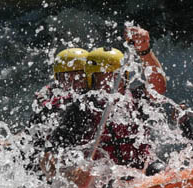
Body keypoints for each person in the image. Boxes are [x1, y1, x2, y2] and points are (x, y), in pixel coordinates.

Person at [42, 26, 167, 178]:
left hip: (142, 174)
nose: (109, 84)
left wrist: (145, 51)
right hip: (105, 181)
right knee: (108, 178)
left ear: (125, 78)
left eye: (115, 77)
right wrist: (72, 173)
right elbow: (49, 156)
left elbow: (158, 87)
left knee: (158, 169)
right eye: (102, 78)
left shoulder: (135, 99)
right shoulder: (81, 109)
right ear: (90, 80)